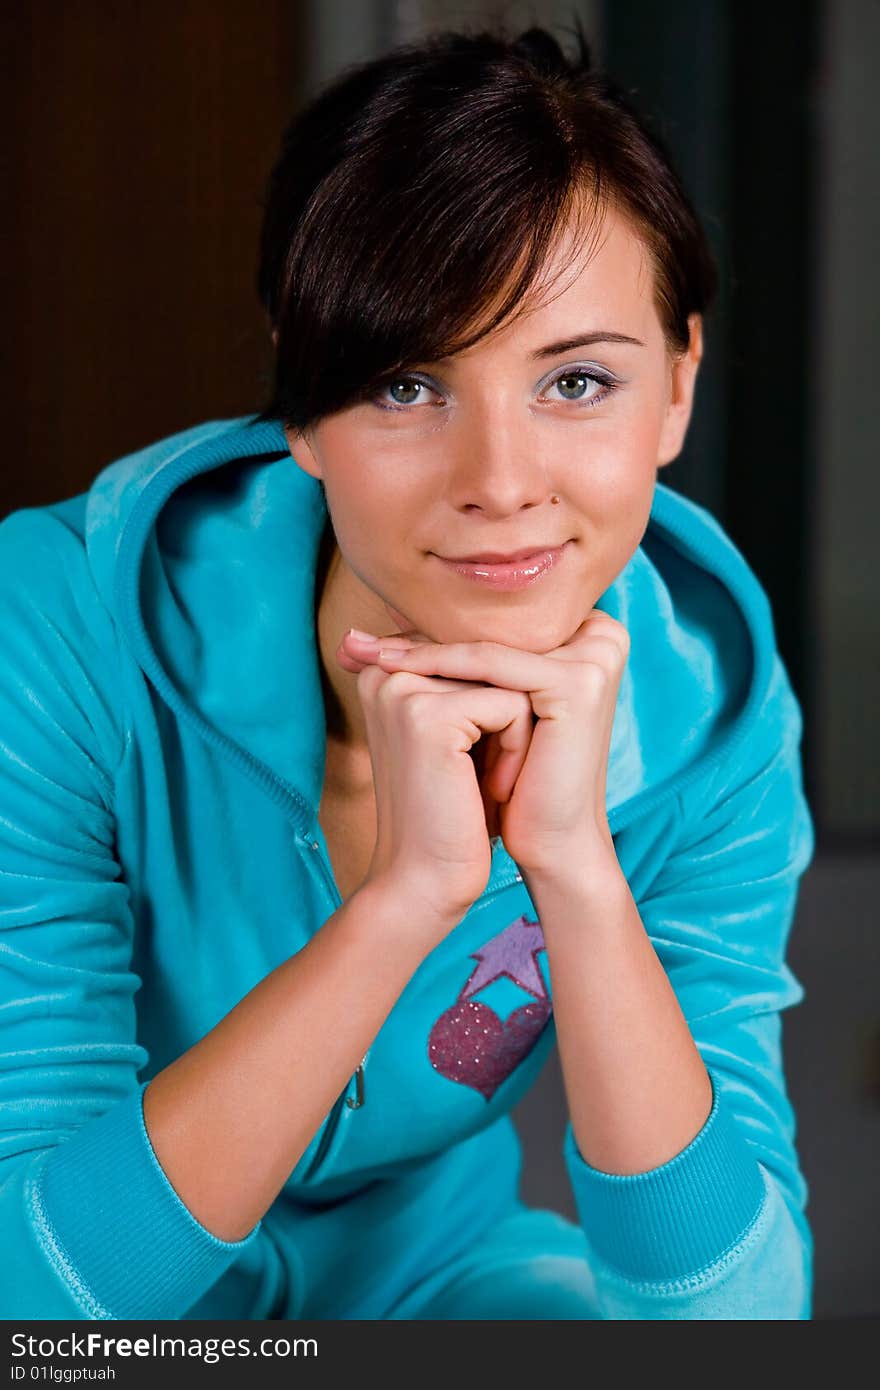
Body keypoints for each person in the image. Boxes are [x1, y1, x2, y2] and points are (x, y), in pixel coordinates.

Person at [0, 23, 815, 1321]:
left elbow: (735, 1316)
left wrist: (579, 876)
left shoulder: (709, 709)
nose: (501, 485)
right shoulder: (55, 627)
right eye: (402, 384)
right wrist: (408, 901)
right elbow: (38, 1309)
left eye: (580, 380)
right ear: (303, 405)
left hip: (435, 1275)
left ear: (678, 390)